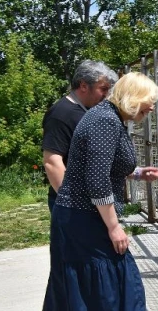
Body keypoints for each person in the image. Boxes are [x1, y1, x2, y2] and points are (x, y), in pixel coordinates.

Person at [38, 72, 158, 311]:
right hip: (87, 218)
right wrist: (114, 227)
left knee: (87, 288)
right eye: (147, 105)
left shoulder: (107, 117)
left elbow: (102, 165)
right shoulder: (106, 121)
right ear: (133, 99)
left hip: (77, 216)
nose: (150, 111)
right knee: (118, 288)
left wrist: (136, 173)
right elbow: (96, 182)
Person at [42, 60, 119, 213]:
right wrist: (73, 203)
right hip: (73, 205)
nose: (106, 95)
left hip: (91, 202)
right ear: (83, 85)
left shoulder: (86, 111)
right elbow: (52, 162)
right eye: (103, 89)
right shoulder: (61, 114)